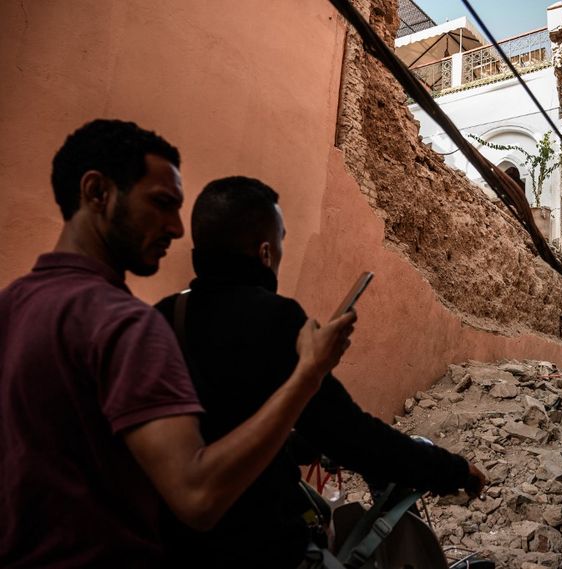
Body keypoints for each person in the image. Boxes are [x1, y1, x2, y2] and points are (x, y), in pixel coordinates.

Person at [0, 119, 355, 568]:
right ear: (97, 192)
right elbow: (198, 495)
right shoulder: (125, 325)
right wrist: (309, 373)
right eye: (162, 204)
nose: (176, 228)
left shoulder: (11, 306)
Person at [155, 176, 486, 568]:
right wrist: (453, 470)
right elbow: (353, 435)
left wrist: (302, 445)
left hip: (177, 544)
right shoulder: (278, 320)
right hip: (264, 544)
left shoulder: (163, 317)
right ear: (265, 252)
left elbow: (223, 420)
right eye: (281, 242)